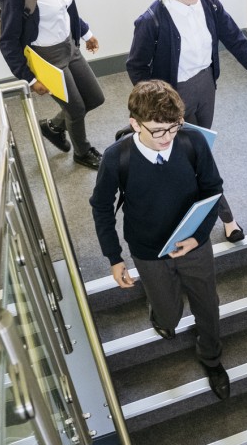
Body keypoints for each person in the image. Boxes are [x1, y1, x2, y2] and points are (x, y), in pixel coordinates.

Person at [124, 0, 247, 242]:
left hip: (205, 86)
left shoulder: (209, 3)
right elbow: (136, 66)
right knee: (199, 155)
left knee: (196, 153)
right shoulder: (152, 19)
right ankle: (227, 218)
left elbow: (236, 39)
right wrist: (157, 106)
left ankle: (198, 206)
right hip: (173, 96)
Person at [90, 80, 231, 400]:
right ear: (134, 123)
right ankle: (162, 315)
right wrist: (114, 257)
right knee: (168, 314)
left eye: (173, 128)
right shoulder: (116, 158)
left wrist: (198, 237)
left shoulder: (192, 140)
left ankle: (212, 358)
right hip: (149, 250)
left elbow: (214, 190)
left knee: (208, 305)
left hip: (193, 244)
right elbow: (100, 207)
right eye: (158, 131)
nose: (167, 138)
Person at [0, 0, 105, 170]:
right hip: (47, 57)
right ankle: (82, 152)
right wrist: (30, 78)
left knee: (94, 98)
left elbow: (66, 9)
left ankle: (54, 126)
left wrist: (86, 34)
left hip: (69, 46)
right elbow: (8, 42)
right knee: (77, 108)